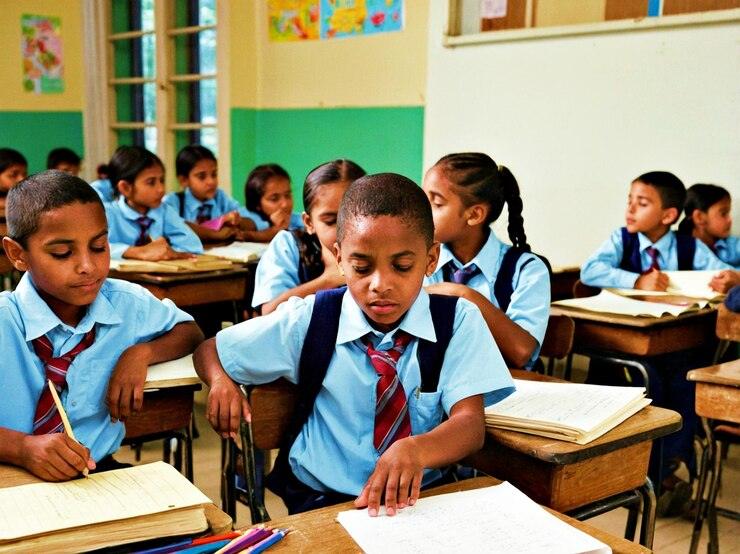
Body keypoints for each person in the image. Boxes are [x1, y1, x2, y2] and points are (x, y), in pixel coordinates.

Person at [194, 173, 514, 516]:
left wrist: (417, 450)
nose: (380, 284)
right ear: (340, 258)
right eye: (361, 266)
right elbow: (210, 348)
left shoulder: (456, 320)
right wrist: (220, 381)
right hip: (321, 502)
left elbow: (470, 425)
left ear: (431, 259)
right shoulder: (311, 319)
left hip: (419, 497)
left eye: (402, 266)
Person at [0, 171, 203, 481]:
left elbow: (189, 332)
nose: (88, 266)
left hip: (95, 473)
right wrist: (22, 448)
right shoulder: (4, 321)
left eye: (99, 247)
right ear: (17, 254)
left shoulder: (125, 303)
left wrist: (141, 353)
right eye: (62, 253)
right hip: (11, 472)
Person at [422, 152, 550, 369]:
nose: (422, 212)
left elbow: (522, 353)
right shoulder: (422, 260)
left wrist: (461, 293)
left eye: (436, 203)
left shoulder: (527, 270)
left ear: (474, 215)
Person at [580, 171, 735, 293]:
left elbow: (724, 272)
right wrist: (637, 281)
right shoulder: (621, 239)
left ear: (668, 216)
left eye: (642, 203)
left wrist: (732, 279)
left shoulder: (690, 246)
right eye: (629, 201)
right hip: (629, 322)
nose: (630, 209)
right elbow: (589, 270)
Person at [252, 159, 366, 314]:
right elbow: (269, 313)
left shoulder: (385, 249)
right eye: (331, 221)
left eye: (357, 218)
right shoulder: (289, 245)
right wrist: (329, 280)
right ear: (309, 222)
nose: (345, 231)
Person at [103, 146, 203, 260]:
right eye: (151, 182)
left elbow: (193, 246)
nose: (161, 189)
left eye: (162, 180)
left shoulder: (164, 211)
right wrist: (137, 252)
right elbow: (95, 249)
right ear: (125, 188)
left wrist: (170, 252)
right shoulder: (107, 214)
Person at [163, 145, 259, 244]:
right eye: (201, 176)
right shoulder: (174, 201)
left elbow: (253, 221)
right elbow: (173, 226)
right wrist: (215, 233)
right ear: (183, 180)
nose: (211, 181)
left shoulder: (220, 198)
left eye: (214, 174)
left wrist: (237, 220)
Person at [678, 183, 739, 269]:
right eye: (723, 214)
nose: (730, 219)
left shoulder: (733, 244)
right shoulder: (678, 247)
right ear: (699, 217)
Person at [241, 164, 304, 241]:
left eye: (287, 195)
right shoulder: (244, 218)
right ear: (257, 204)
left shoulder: (294, 219)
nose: (285, 204)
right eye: (274, 199)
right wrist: (276, 229)